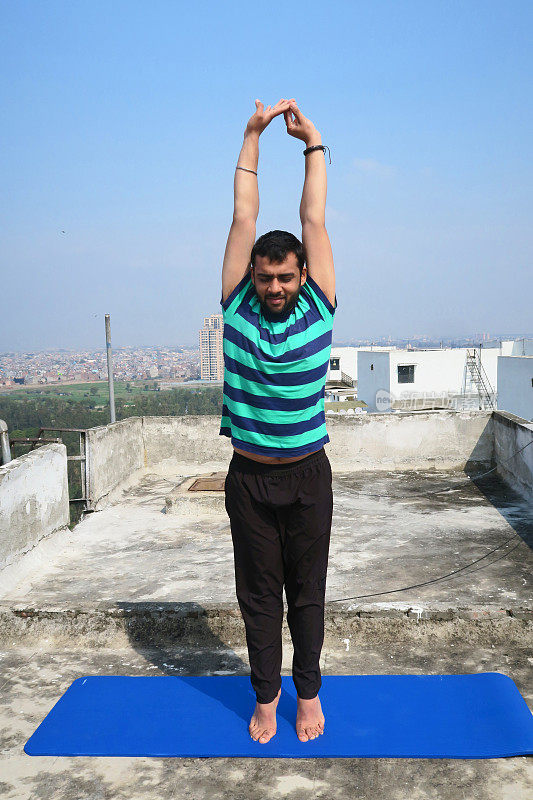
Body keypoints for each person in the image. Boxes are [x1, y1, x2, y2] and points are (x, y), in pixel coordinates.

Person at [220, 98, 337, 744]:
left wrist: (311, 144)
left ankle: (308, 694)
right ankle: (266, 696)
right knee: (258, 597)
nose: (272, 288)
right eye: (264, 277)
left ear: (300, 277)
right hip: (249, 481)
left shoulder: (317, 308)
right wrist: (250, 137)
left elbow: (311, 216)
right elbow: (245, 214)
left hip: (307, 478)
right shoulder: (236, 307)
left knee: (307, 596)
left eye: (283, 277)